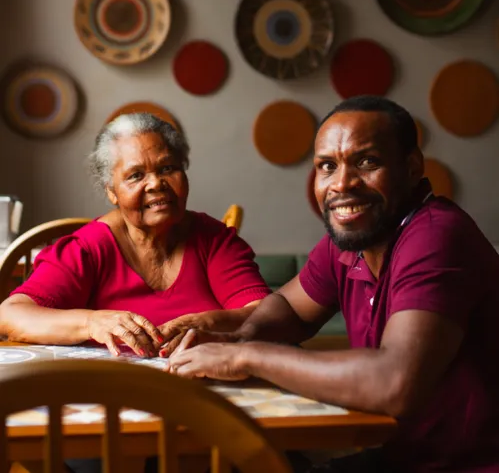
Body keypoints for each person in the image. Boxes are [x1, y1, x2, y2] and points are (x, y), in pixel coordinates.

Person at [165, 95, 499, 473]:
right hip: (403, 457)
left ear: (411, 168)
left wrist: (245, 357)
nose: (342, 183)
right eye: (327, 166)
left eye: (367, 162)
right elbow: (290, 307)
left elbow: (396, 383)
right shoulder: (353, 241)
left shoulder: (436, 236)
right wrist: (241, 338)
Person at [0, 113, 271, 357]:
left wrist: (206, 323)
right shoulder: (88, 248)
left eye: (167, 168)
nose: (156, 184)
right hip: (111, 395)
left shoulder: (213, 239)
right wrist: (91, 322)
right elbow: (10, 315)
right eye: (136, 175)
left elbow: (267, 315)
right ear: (111, 191)